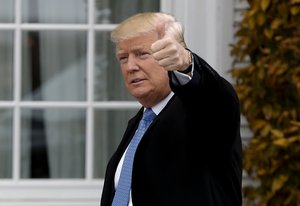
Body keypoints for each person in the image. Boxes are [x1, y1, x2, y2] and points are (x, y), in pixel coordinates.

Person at [100, 12, 243, 206]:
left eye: (142, 54)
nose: (131, 66)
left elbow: (218, 99)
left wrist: (187, 64)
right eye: (123, 58)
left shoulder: (199, 113)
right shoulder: (139, 124)